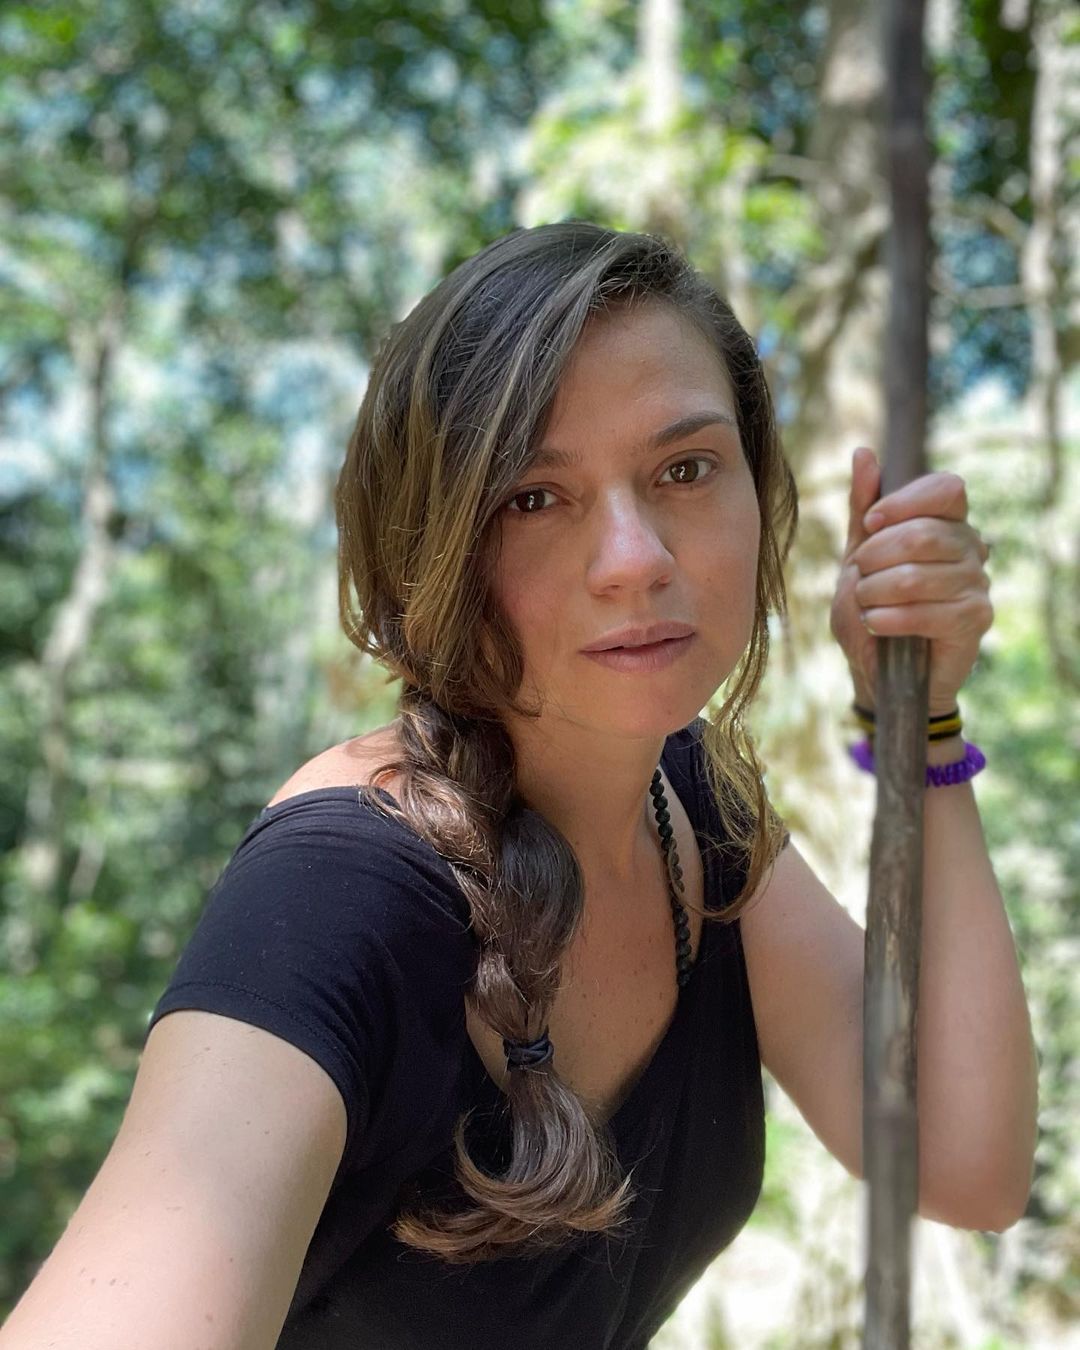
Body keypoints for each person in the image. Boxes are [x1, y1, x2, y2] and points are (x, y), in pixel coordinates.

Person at [1, 222, 1037, 1350]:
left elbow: (962, 1160)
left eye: (684, 470)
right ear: (429, 548)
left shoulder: (692, 812)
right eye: (534, 497)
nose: (636, 559)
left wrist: (916, 717)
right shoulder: (343, 890)